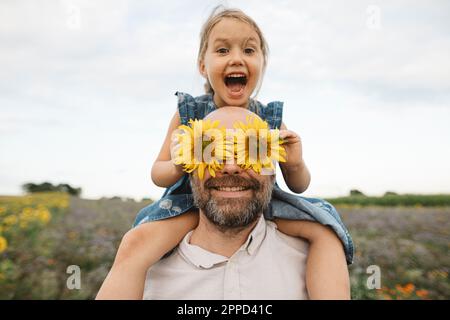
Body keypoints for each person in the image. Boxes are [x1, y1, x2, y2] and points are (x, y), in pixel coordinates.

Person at [96, 6, 353, 300]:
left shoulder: (268, 118)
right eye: (222, 50)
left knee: (325, 229)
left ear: (261, 63)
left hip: (262, 203)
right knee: (136, 243)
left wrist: (294, 164)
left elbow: (299, 185)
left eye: (248, 50)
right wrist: (181, 163)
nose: (236, 58)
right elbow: (158, 173)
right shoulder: (189, 114)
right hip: (189, 204)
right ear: (202, 66)